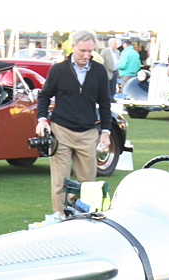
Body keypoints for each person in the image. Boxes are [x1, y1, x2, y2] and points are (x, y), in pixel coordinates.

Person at [35, 28, 112, 222]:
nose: (86, 56)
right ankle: (59, 219)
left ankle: (83, 219)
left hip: (88, 132)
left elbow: (105, 103)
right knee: (60, 181)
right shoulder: (59, 70)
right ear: (73, 47)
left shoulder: (99, 71)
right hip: (61, 131)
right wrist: (42, 119)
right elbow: (44, 95)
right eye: (82, 51)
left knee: (87, 183)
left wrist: (106, 132)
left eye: (90, 52)